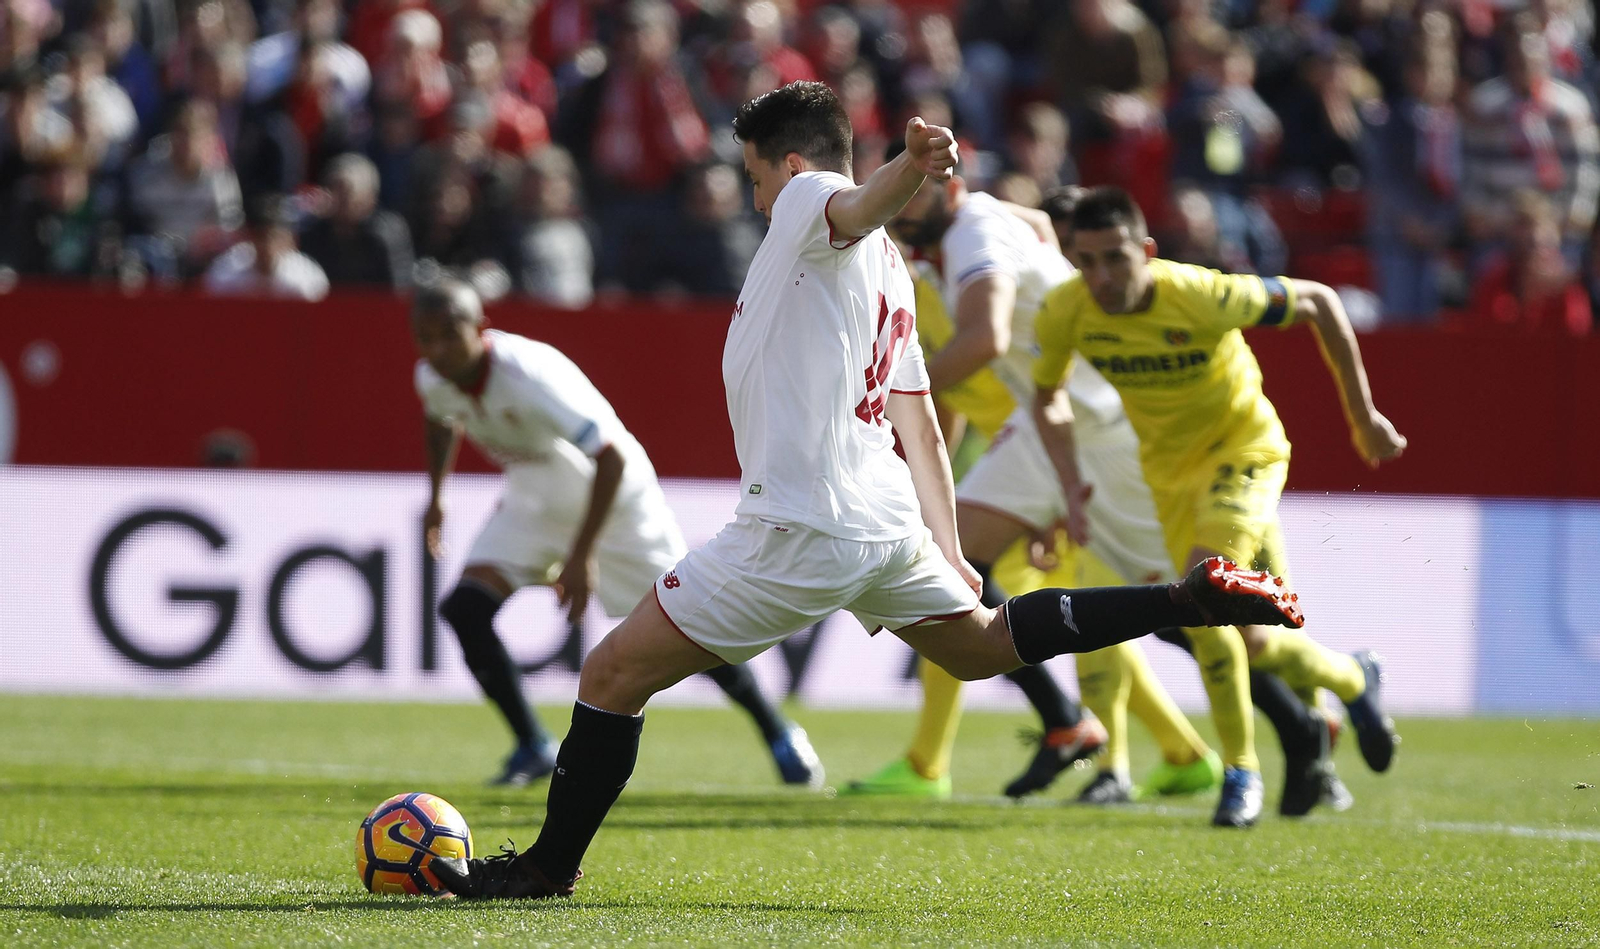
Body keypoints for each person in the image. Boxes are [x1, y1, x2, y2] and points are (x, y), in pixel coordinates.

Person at [428, 81, 1304, 900]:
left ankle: (546, 867)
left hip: (800, 523)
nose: (757, 198)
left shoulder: (813, 205)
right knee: (984, 644)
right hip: (886, 522)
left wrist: (911, 166)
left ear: (792, 164)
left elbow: (851, 204)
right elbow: (920, 425)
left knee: (611, 670)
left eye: (755, 177)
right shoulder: (893, 276)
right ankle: (1181, 598)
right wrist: (953, 554)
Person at [846, 156, 1220, 807]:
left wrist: (880, 404)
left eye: (909, 199)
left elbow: (989, 326)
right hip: (1035, 445)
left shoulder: (967, 250)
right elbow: (951, 403)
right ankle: (1165, 742)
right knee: (986, 589)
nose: (898, 217)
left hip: (1064, 434)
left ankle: (1271, 700)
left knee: (1091, 603)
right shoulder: (932, 266)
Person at [1031, 186, 1405, 827]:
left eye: (1115, 258)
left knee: (1203, 598)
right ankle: (1352, 678)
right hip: (1172, 481)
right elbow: (1047, 396)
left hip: (1244, 453)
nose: (1101, 277)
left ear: (1145, 251)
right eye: (1085, 261)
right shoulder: (1066, 310)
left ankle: (1240, 774)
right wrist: (1070, 486)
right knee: (1258, 640)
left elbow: (1319, 299)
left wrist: (1362, 415)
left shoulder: (1199, 293)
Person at [411, 278, 822, 789]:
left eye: (450, 334)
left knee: (691, 626)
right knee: (464, 609)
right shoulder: (431, 377)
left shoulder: (527, 374)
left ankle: (779, 732)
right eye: (426, 339)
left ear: (481, 328)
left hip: (617, 499)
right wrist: (436, 498)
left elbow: (610, 458)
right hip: (534, 497)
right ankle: (533, 746)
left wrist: (581, 556)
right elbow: (440, 420)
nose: (439, 350)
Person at [203, 194, 329, 301]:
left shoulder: (307, 278)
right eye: (261, 237)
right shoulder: (226, 272)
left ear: (290, 241)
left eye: (275, 237)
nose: (268, 244)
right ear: (250, 238)